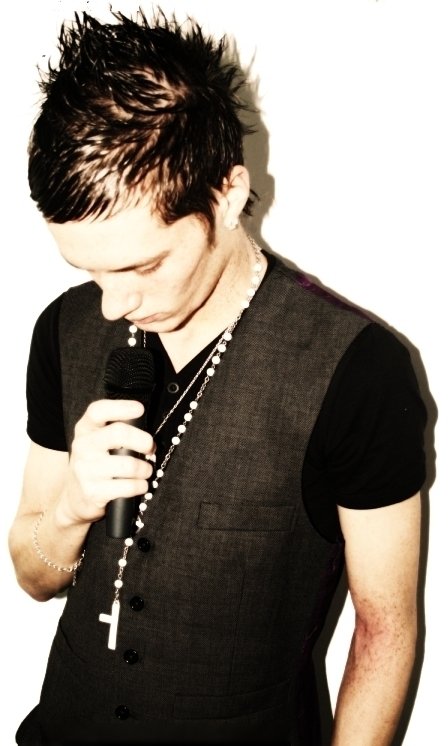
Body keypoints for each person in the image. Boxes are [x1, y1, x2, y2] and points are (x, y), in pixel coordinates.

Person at [9, 9, 427, 746]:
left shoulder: (360, 371)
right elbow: (34, 575)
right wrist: (72, 507)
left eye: (143, 265)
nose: (114, 303)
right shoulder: (62, 330)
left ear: (227, 195)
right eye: (89, 271)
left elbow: (385, 630)